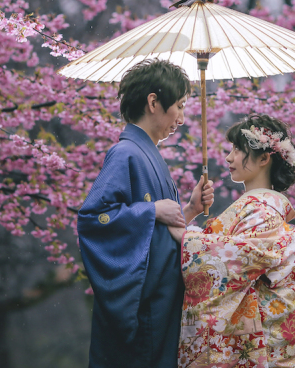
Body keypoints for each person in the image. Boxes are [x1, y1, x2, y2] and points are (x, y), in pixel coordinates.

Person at [77, 59, 214, 368]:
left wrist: (190, 210)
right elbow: (93, 219)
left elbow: (161, 233)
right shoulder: (126, 153)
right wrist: (150, 209)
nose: (181, 116)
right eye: (179, 105)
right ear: (153, 101)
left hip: (161, 300)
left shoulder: (146, 153)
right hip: (144, 306)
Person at [167, 114, 295, 368]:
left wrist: (188, 238)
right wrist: (191, 211)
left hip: (259, 347)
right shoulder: (260, 211)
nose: (229, 158)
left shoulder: (262, 213)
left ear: (265, 158)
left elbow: (234, 260)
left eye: (237, 150)